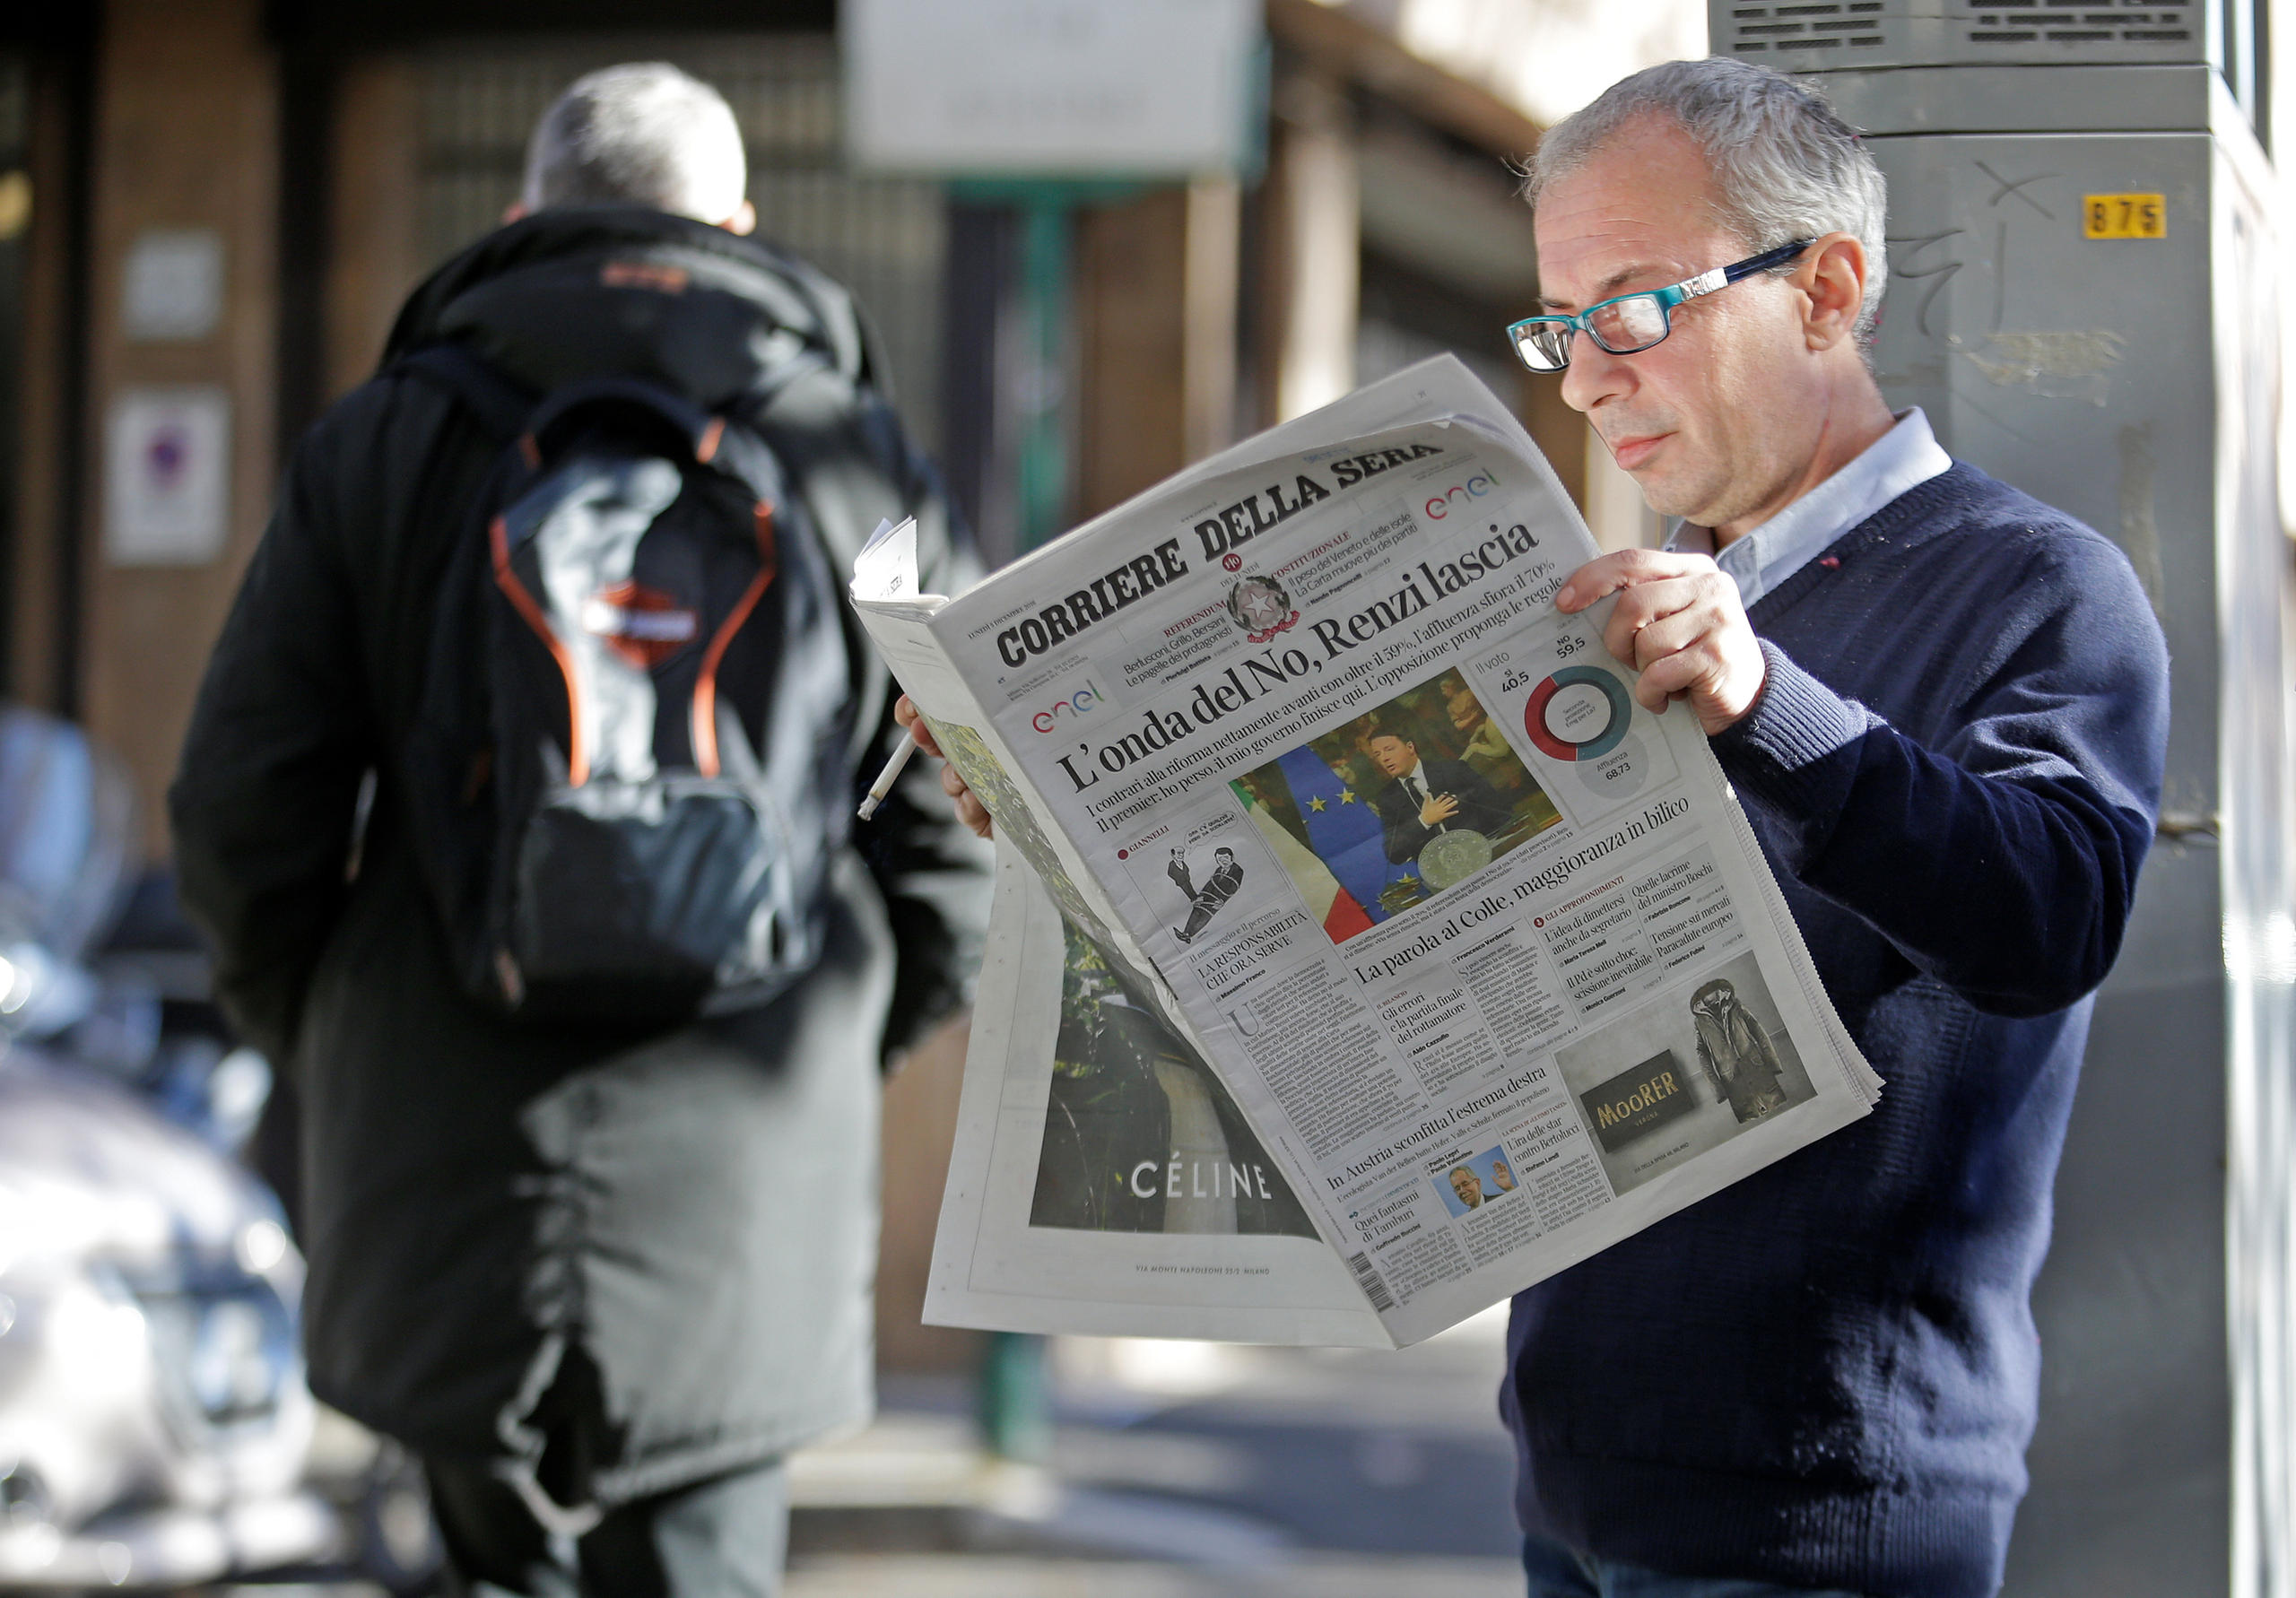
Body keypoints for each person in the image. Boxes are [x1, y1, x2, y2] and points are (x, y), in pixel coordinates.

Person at [170, 63, 989, 1598]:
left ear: (523, 216)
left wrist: (333, 1028)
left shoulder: (389, 435)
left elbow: (240, 808)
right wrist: (840, 1039)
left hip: (443, 1143)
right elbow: (955, 828)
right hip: (749, 1165)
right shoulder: (855, 453)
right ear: (739, 226)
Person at [1500, 58, 2167, 1598]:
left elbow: (2049, 916)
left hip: (1825, 1512)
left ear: (1826, 287)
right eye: (1559, 326)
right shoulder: (1612, 620)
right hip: (1572, 1480)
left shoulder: (2039, 587)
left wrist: (1762, 701)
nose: (1589, 379)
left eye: (1634, 306)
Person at [1363, 728, 1510, 865]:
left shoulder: (1453, 770)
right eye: (1378, 755)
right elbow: (1393, 854)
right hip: (1442, 872)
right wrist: (1424, 821)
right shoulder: (1387, 798)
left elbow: (1500, 812)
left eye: (1389, 749)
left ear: (1410, 747)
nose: (1384, 758)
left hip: (1485, 856)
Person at [1168, 844, 1244, 944]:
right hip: (1209, 895)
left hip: (1218, 899)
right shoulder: (1218, 870)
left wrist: (1222, 902)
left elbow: (1233, 888)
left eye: (1226, 857)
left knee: (1205, 915)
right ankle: (1185, 933)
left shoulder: (1237, 870)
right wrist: (1200, 897)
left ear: (1232, 857)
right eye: (1220, 859)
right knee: (1197, 909)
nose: (1223, 861)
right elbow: (1210, 884)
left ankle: (1189, 934)